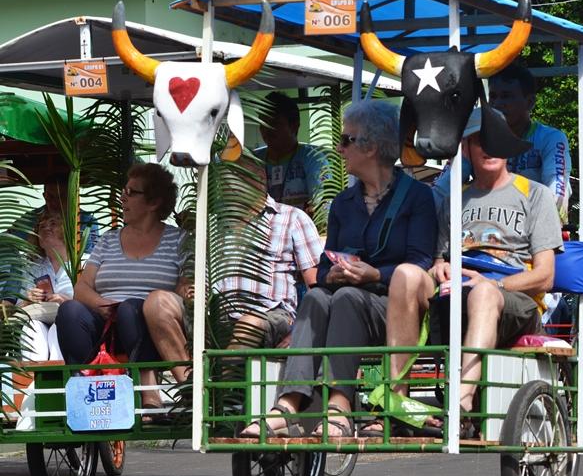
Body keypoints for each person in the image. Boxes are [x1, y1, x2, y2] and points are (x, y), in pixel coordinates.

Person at [241, 100, 437, 439]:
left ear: (372, 147)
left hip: (394, 307)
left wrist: (374, 274)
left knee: (347, 297)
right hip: (344, 300)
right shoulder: (344, 204)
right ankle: (287, 403)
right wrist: (330, 273)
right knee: (317, 295)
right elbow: (323, 264)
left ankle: (340, 406)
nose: (339, 148)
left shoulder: (417, 197)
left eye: (346, 140)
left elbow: (421, 261)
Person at [385, 106, 563, 438]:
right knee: (406, 275)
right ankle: (398, 403)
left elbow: (545, 275)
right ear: (467, 147)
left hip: (515, 301)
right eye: (482, 141)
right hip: (457, 295)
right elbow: (438, 258)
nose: (490, 148)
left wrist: (494, 283)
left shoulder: (535, 195)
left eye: (497, 141)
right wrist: (440, 267)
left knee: (483, 293)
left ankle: (461, 406)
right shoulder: (455, 199)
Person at [143, 155, 324, 370]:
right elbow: (184, 281)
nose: (224, 189)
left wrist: (299, 334)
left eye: (231, 182)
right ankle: (190, 384)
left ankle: (218, 389)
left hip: (270, 316)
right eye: (224, 183)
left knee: (250, 322)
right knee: (157, 302)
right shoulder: (209, 223)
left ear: (257, 182)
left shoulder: (291, 218)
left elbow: (316, 284)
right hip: (213, 316)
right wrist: (187, 291)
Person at [55, 164, 188, 411]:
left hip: (151, 324)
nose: (122, 197)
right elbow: (82, 286)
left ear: (154, 202)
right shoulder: (108, 240)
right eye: (123, 190)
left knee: (130, 309)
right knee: (70, 311)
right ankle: (85, 390)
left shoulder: (178, 240)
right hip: (106, 321)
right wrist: (100, 304)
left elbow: (185, 288)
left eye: (131, 192)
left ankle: (149, 392)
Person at [432, 63, 572, 220]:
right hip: (483, 226)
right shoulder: (474, 138)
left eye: (506, 96)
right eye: (493, 96)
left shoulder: (550, 138)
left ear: (530, 102)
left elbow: (557, 192)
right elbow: (445, 187)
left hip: (536, 227)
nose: (497, 104)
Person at [252, 92, 332, 215]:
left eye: (274, 123)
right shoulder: (252, 160)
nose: (267, 129)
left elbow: (323, 207)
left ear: (294, 125)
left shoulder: (313, 159)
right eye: (263, 123)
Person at [18, 212, 74, 361]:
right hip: (39, 318)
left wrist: (67, 301)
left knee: (58, 328)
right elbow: (18, 308)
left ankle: (59, 378)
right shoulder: (32, 268)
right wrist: (28, 299)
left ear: (67, 231)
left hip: (71, 320)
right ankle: (32, 381)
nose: (46, 228)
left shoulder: (82, 262)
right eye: (41, 226)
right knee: (32, 327)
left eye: (53, 224)